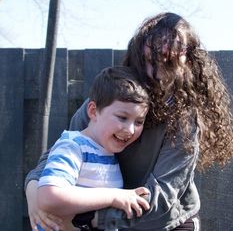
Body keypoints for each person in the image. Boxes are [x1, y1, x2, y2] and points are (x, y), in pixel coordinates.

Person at [25, 12, 233, 231]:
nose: (156, 72)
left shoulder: (183, 121)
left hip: (164, 223)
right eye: (151, 59)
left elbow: (160, 200)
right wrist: (34, 194)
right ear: (138, 54)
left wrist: (86, 217)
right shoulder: (106, 103)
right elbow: (59, 156)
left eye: (169, 61)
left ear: (187, 62)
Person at [35, 66, 150, 231]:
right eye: (122, 117)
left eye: (138, 122)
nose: (130, 129)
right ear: (93, 111)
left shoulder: (107, 153)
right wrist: (113, 197)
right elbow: (48, 198)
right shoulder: (73, 146)